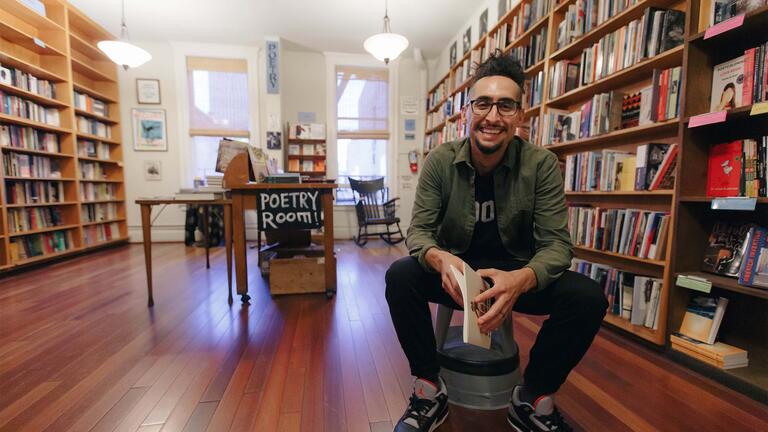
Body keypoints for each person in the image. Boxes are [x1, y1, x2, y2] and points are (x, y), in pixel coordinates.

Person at [385, 52, 607, 432]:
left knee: (588, 297)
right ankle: (427, 389)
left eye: (505, 105)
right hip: (455, 275)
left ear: (520, 115)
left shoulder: (541, 165)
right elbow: (419, 233)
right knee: (400, 276)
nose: (492, 116)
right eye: (483, 103)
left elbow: (557, 246)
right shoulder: (440, 161)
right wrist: (440, 260)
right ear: (467, 112)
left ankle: (533, 396)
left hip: (516, 275)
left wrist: (521, 280)